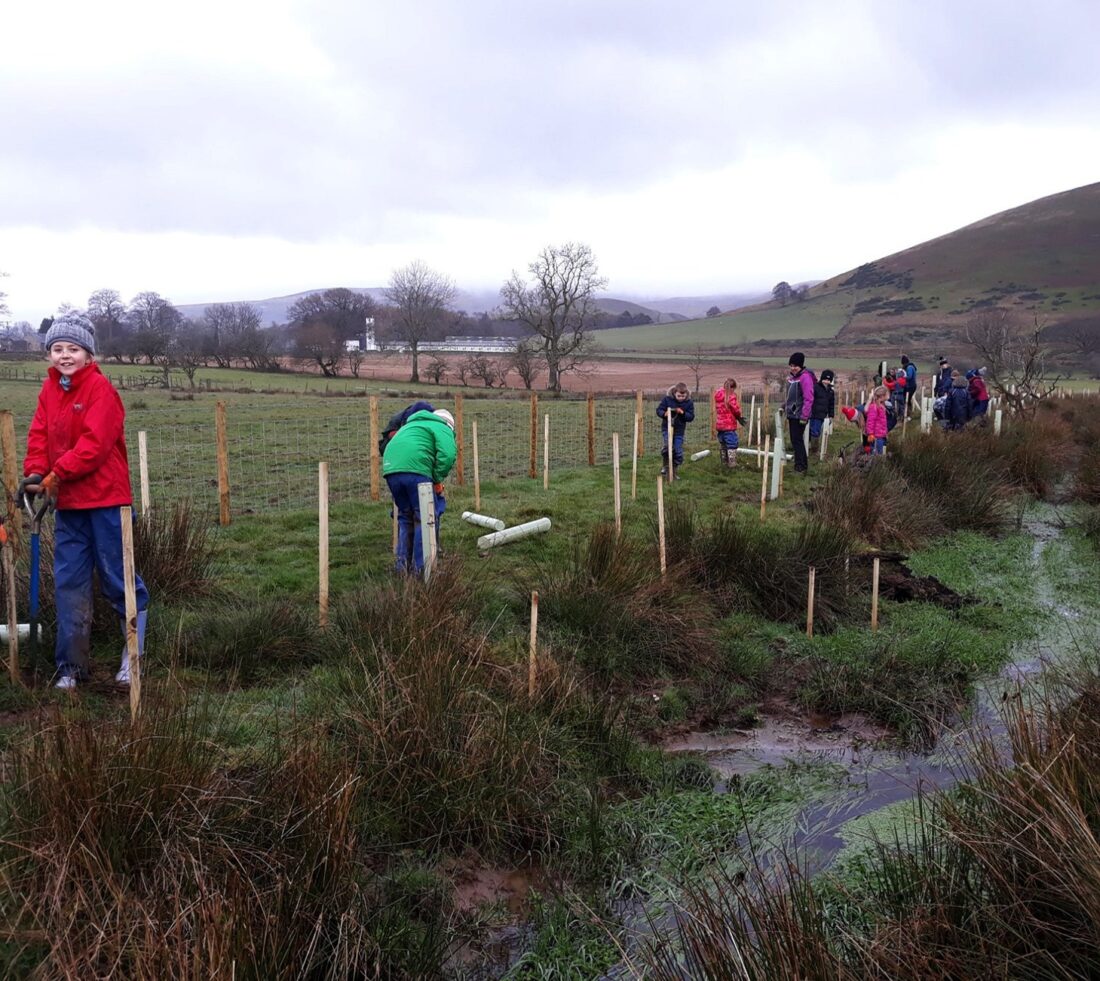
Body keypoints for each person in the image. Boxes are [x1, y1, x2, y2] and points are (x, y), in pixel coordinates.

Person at [19, 311, 149, 689]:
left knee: (116, 578)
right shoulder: (49, 391)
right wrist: (34, 472)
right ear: (48, 355)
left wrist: (55, 474)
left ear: (89, 355)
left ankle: (132, 656)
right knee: (69, 582)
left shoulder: (100, 391)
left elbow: (95, 445)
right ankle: (71, 667)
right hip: (70, 505)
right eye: (57, 348)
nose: (64, 355)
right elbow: (39, 435)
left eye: (72, 348)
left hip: (108, 502)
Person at [382, 408, 457, 574]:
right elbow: (448, 455)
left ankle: (402, 568)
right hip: (416, 471)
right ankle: (422, 570)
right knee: (425, 518)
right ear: (450, 425)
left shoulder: (412, 425)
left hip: (391, 470)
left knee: (405, 517)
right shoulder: (442, 427)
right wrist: (436, 478)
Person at [785, 352, 815, 474]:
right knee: (795, 440)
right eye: (791, 365)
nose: (793, 368)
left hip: (800, 415)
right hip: (792, 414)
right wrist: (784, 406)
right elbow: (791, 397)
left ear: (801, 365)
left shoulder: (805, 378)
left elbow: (809, 398)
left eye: (795, 365)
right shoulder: (793, 379)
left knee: (797, 441)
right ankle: (800, 465)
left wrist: (804, 415)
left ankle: (801, 467)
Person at [656, 382, 694, 477]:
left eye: (683, 396)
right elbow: (659, 410)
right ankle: (665, 466)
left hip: (679, 431)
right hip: (667, 428)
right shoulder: (667, 400)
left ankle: (674, 469)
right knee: (667, 447)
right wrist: (664, 413)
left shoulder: (689, 403)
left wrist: (683, 413)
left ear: (686, 394)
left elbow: (691, 417)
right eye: (679, 396)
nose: (681, 398)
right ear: (674, 393)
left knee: (677, 450)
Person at [712, 377, 743, 469]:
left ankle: (724, 461)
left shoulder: (718, 395)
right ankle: (732, 463)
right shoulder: (731, 396)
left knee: (723, 443)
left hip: (720, 425)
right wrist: (739, 415)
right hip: (729, 425)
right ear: (733, 388)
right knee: (732, 443)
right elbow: (736, 410)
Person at [810, 369, 836, 443]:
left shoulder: (831, 391)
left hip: (823, 415)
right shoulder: (815, 387)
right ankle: (813, 447)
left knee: (818, 431)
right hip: (814, 414)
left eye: (828, 380)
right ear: (821, 379)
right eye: (825, 379)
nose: (826, 381)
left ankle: (814, 446)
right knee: (814, 431)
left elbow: (831, 404)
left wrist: (831, 416)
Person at [864, 386, 890, 455]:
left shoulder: (881, 406)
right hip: (875, 437)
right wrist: (871, 434)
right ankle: (875, 465)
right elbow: (870, 421)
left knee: (879, 453)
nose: (888, 395)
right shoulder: (874, 407)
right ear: (882, 396)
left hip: (880, 435)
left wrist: (885, 432)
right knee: (876, 454)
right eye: (887, 393)